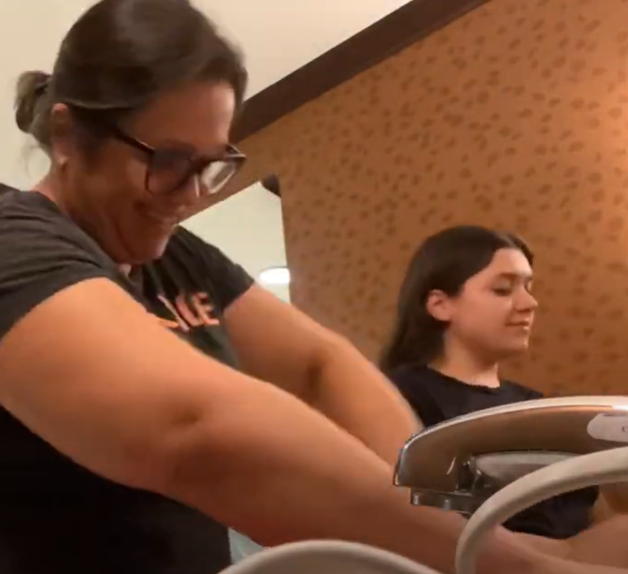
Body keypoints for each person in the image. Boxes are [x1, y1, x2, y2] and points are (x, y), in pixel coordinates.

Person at [0, 1, 625, 572]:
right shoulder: (15, 240)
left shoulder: (180, 258)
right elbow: (195, 430)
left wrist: (448, 519)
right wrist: (518, 567)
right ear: (65, 134)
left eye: (210, 166)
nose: (189, 196)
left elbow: (319, 364)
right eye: (166, 162)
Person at [380, 225, 599, 539]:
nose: (529, 304)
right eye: (503, 289)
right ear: (440, 305)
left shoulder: (537, 409)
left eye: (529, 287)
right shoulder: (400, 396)